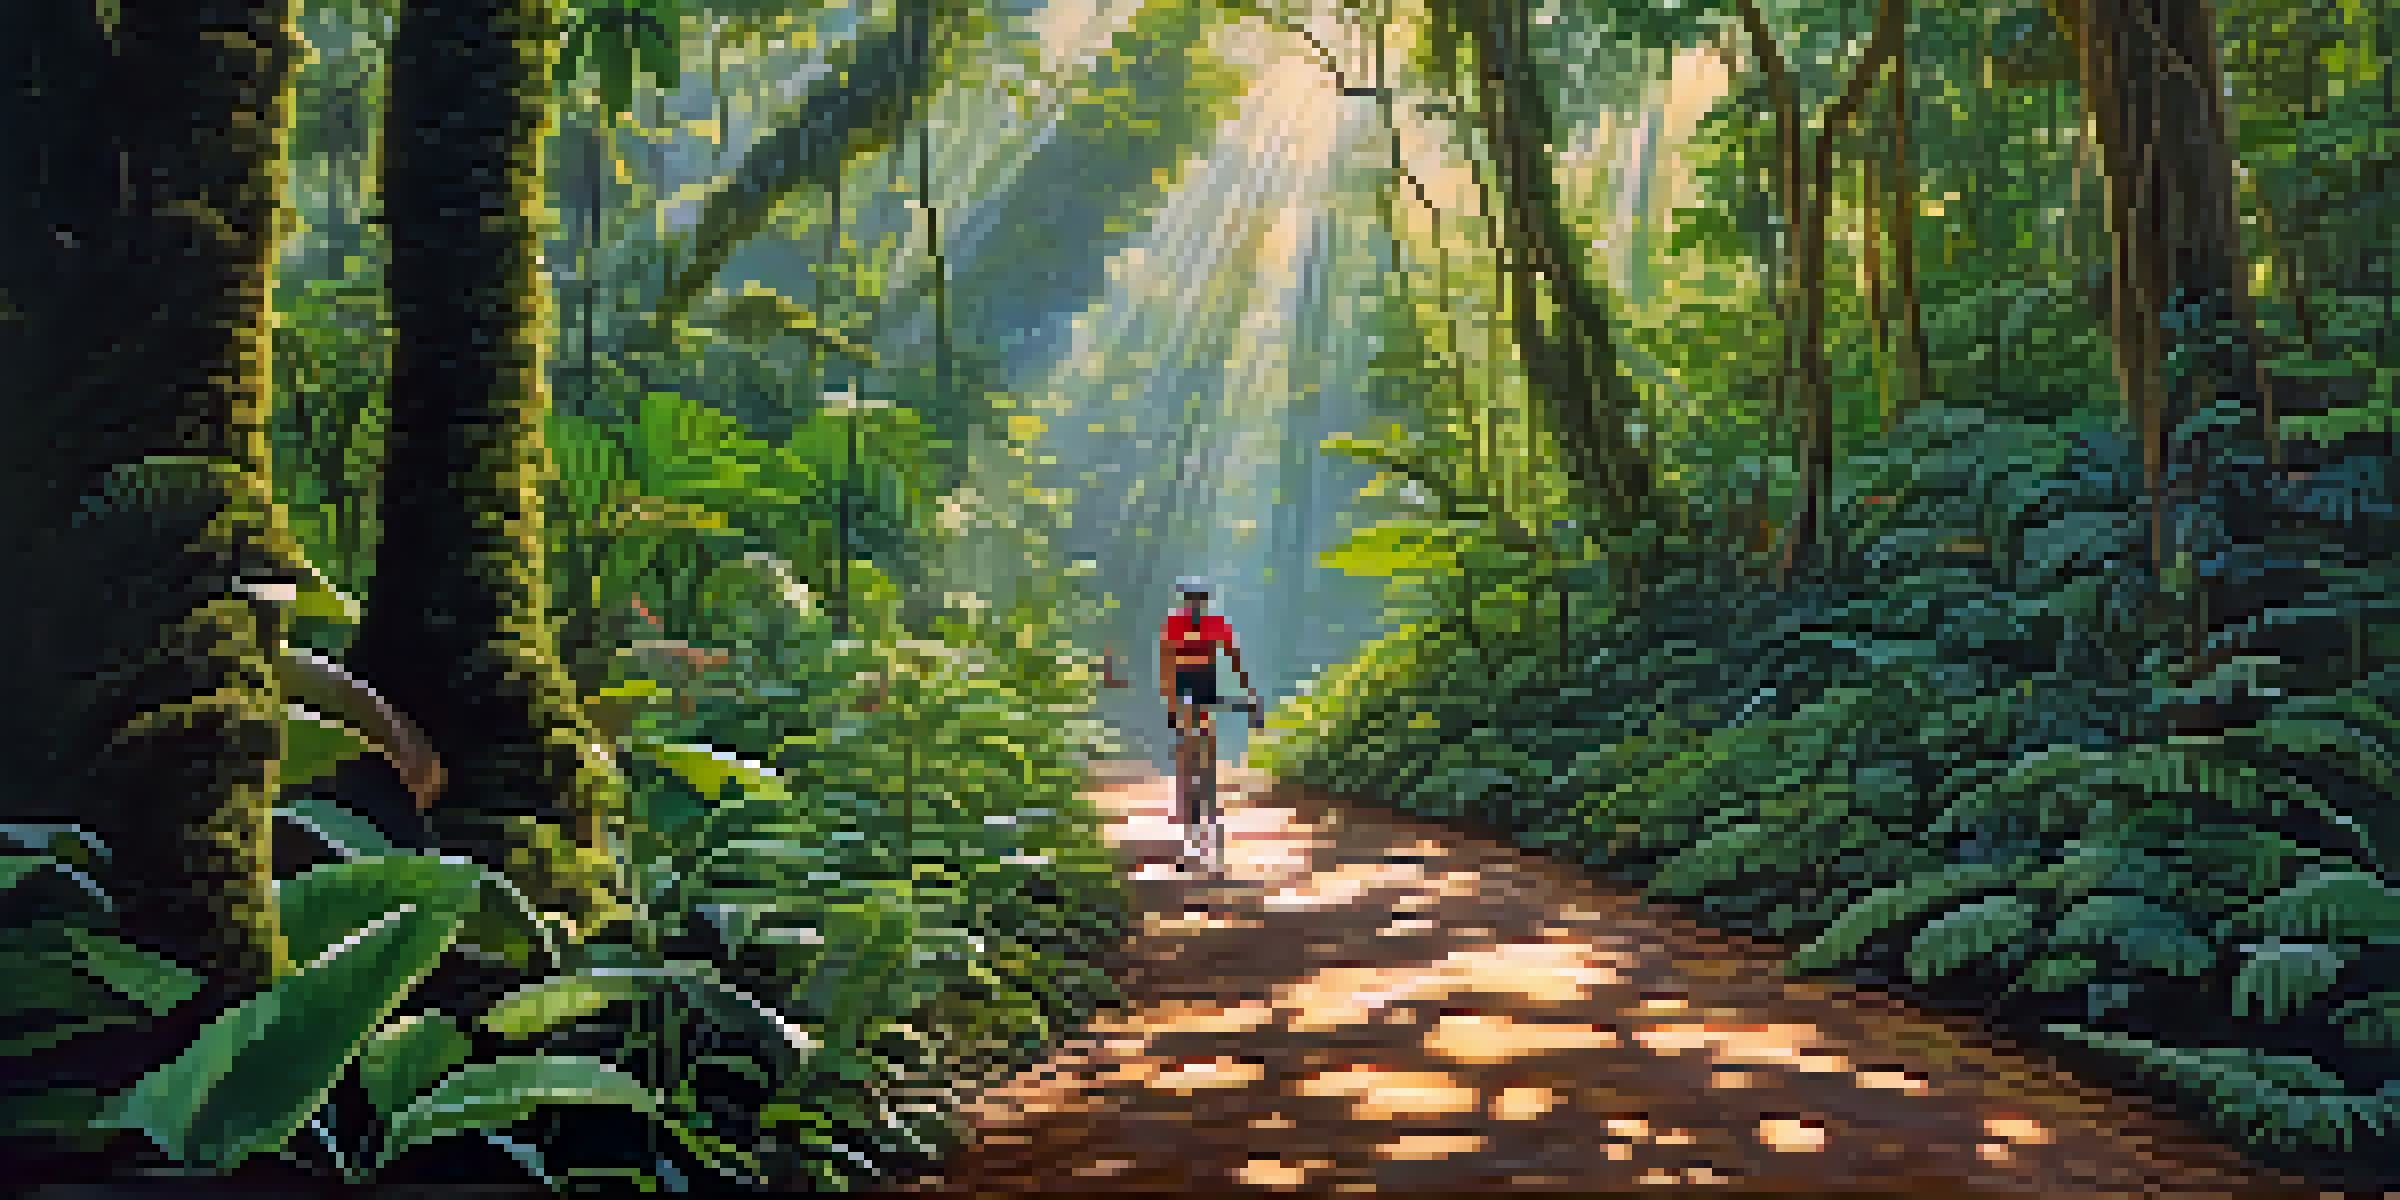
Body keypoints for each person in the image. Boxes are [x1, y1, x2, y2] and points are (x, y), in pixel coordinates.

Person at [1158, 577, 1260, 859]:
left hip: (1205, 684)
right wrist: (1170, 702)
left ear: (1204, 602)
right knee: (1186, 738)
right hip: (1182, 686)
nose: (1195, 605)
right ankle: (1185, 798)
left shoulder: (1216, 623)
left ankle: (1210, 792)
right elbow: (1167, 665)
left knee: (1206, 734)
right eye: (1191, 600)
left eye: (1199, 600)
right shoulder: (1174, 624)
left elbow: (1234, 659)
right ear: (1184, 602)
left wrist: (1248, 693)